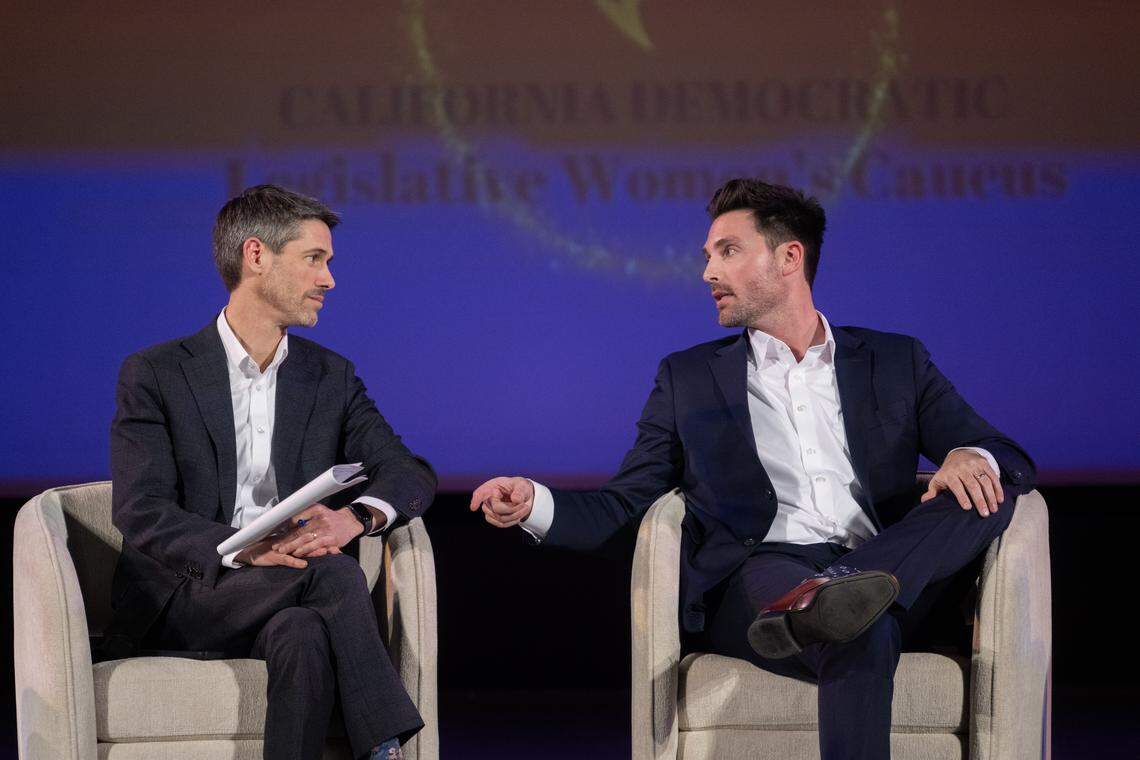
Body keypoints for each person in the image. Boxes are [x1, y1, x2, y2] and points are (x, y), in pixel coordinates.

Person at [471, 178, 1035, 759]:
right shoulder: (688, 379)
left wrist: (971, 453)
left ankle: (842, 587)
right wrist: (533, 503)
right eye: (709, 256)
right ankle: (835, 595)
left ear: (789, 257)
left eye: (728, 251)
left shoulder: (895, 361)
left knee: (987, 492)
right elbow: (625, 505)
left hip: (891, 563)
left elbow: (1008, 455)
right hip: (765, 573)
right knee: (857, 626)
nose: (708, 273)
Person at [107, 184, 435, 760]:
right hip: (189, 593)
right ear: (256, 256)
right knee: (334, 578)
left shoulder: (329, 377)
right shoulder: (156, 373)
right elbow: (141, 511)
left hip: (283, 597)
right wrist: (243, 549)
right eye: (315, 259)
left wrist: (355, 519)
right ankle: (385, 741)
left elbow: (408, 472)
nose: (329, 279)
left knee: (303, 635)